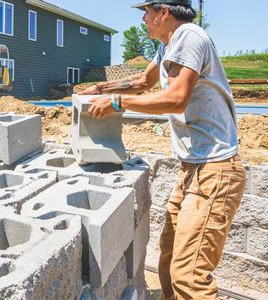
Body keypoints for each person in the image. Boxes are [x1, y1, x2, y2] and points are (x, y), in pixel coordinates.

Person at [80, 1, 246, 299]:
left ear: (164, 12)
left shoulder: (189, 37)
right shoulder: (169, 46)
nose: (144, 18)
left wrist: (117, 102)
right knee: (169, 257)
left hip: (215, 170)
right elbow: (144, 81)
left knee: (189, 276)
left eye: (146, 12)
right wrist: (102, 89)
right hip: (192, 169)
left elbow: (176, 98)